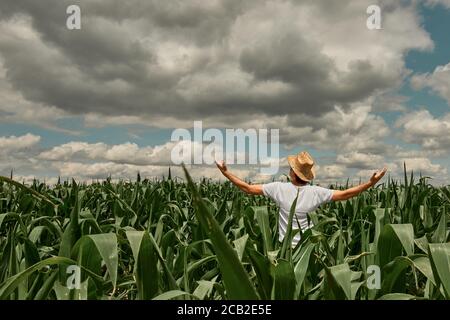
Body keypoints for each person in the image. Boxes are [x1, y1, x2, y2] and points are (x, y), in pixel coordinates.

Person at [215, 151, 387, 246]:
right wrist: (370, 183)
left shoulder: (278, 189)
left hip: (285, 249)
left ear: (292, 173)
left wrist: (225, 172)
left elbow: (248, 188)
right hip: (308, 248)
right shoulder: (316, 192)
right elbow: (346, 194)